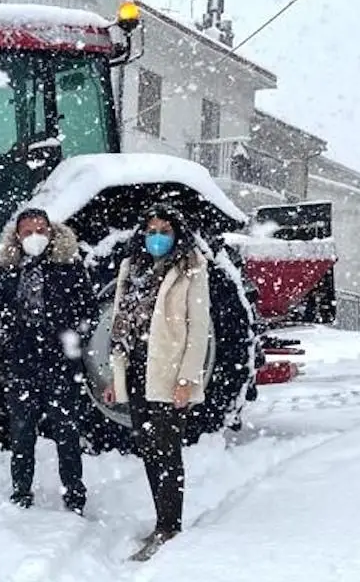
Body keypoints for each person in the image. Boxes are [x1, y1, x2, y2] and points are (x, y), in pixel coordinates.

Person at [103, 204, 211, 559]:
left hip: (167, 374)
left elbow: (198, 330)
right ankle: (160, 522)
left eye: (165, 231)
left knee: (167, 451)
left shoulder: (190, 268)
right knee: (149, 450)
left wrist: (187, 379)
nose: (157, 237)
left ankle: (170, 525)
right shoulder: (130, 267)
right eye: (152, 231)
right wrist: (115, 375)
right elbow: (120, 323)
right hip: (136, 370)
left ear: (177, 234)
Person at [0, 207, 98, 513]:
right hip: (21, 364)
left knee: (67, 432)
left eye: (41, 230)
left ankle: (74, 495)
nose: (35, 237)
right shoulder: (5, 271)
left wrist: (72, 340)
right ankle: (21, 491)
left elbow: (89, 312)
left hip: (61, 364)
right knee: (21, 432)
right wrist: (5, 340)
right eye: (28, 232)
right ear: (17, 236)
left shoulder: (69, 268)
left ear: (51, 232)